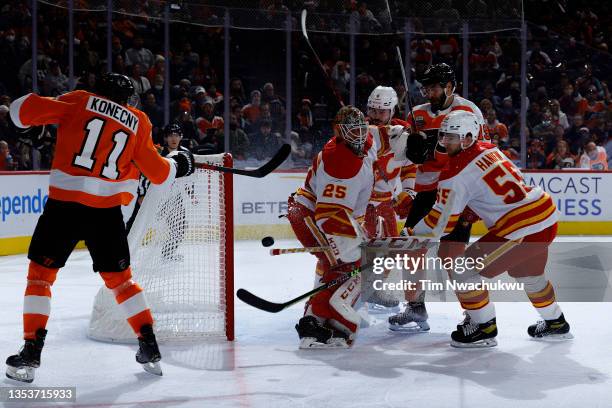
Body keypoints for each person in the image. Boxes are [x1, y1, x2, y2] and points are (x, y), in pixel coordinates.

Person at [5, 73, 195, 382]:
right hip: (106, 213)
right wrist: (179, 163)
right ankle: (149, 346)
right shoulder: (139, 120)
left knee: (40, 278)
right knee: (122, 281)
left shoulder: (79, 100)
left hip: (64, 207)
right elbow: (160, 174)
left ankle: (31, 353)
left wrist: (49, 105)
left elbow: (18, 112)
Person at [413, 110, 571, 347]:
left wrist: (411, 233)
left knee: (463, 269)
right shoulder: (488, 148)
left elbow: (441, 223)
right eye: (444, 136)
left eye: (451, 138)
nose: (445, 143)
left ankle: (484, 328)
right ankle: (556, 323)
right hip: (544, 216)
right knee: (528, 275)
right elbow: (490, 188)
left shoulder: (453, 173)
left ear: (467, 138)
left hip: (521, 227)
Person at [389, 63, 487, 332]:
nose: (428, 92)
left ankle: (473, 313)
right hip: (426, 191)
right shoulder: (417, 113)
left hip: (458, 192)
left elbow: (484, 152)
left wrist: (474, 202)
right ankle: (415, 307)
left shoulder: (469, 111)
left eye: (433, 87)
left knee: (452, 256)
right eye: (426, 87)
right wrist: (411, 153)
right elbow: (405, 156)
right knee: (412, 249)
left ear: (449, 86)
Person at [288, 106, 375, 348]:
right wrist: (354, 240)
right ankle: (315, 319)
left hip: (323, 213)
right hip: (312, 215)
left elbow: (378, 139)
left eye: (361, 129)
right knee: (349, 263)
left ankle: (314, 321)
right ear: (339, 132)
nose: (359, 135)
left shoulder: (363, 143)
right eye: (352, 131)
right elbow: (329, 215)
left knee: (336, 264)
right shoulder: (339, 162)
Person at [363, 86, 417, 313]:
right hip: (361, 203)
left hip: (386, 202)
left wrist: (409, 191)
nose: (376, 115)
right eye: (373, 110)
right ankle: (354, 291)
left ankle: (372, 289)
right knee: (360, 250)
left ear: (392, 110)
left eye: (382, 111)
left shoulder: (403, 132)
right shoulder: (359, 129)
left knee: (391, 250)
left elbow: (410, 166)